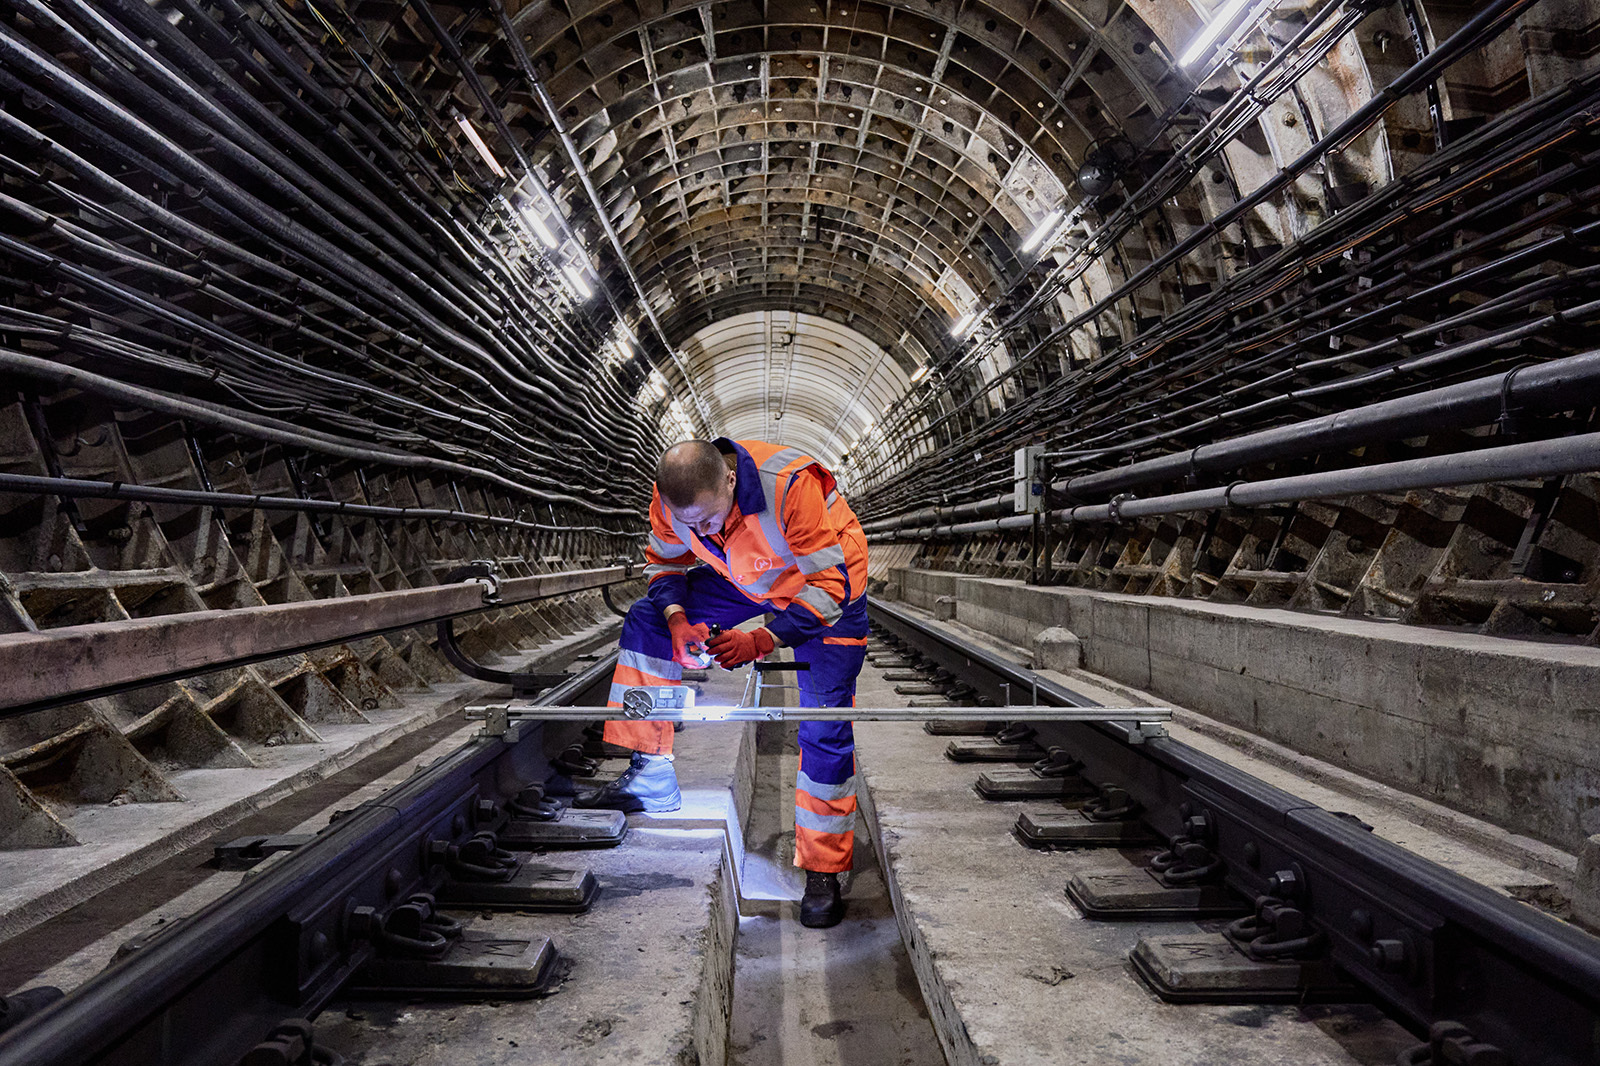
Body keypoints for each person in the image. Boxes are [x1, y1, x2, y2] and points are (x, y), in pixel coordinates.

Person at [578, 438, 869, 928]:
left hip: (826, 589)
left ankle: (822, 868)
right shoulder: (674, 500)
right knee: (646, 619)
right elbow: (667, 564)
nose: (700, 532)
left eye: (709, 521)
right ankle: (651, 772)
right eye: (690, 525)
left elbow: (829, 589)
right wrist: (677, 620)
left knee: (823, 719)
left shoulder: (789, 488)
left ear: (731, 481)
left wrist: (762, 639)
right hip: (744, 576)